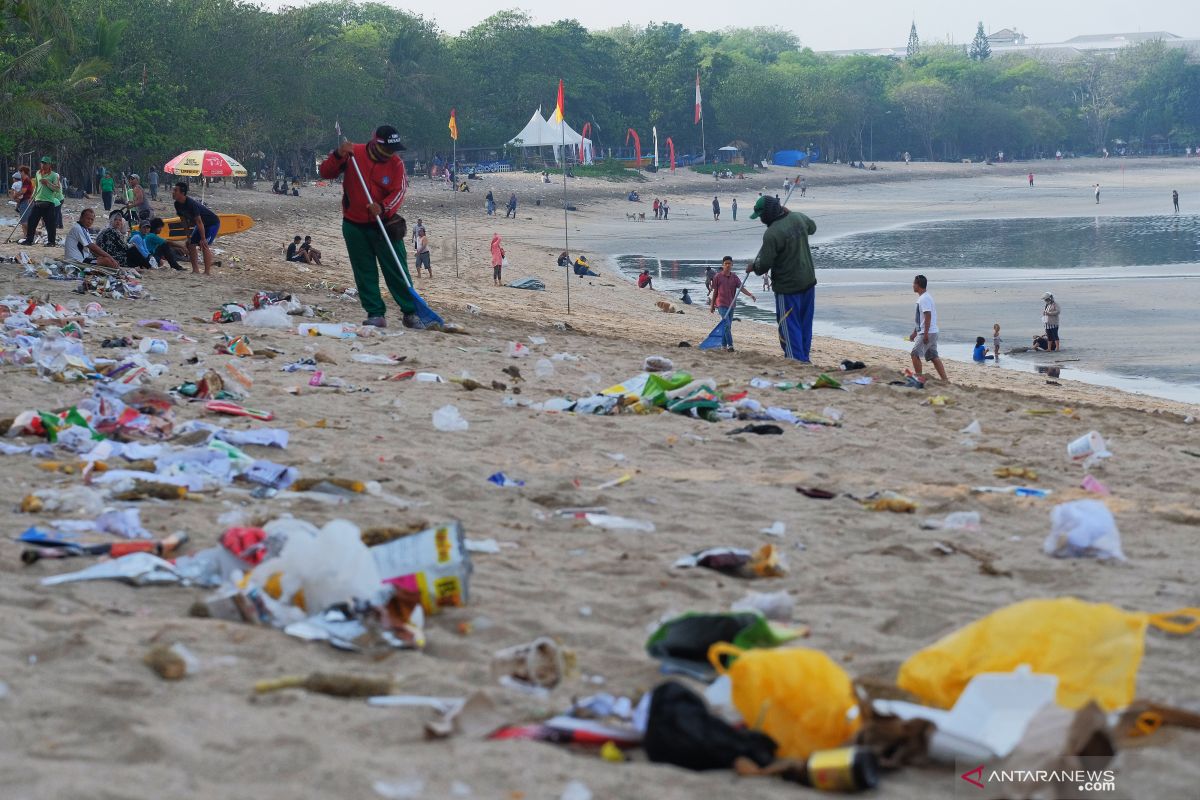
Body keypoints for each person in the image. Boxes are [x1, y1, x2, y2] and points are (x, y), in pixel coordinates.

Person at [318, 125, 424, 328]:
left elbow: (399, 192)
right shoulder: (353, 154)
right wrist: (338, 155)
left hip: (384, 224)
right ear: (375, 143)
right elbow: (326, 172)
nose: (391, 154)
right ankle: (375, 313)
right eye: (387, 150)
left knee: (396, 269)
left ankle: (410, 312)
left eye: (393, 150)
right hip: (354, 225)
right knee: (364, 271)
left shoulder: (396, 165)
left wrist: (383, 208)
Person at [745, 195, 817, 362]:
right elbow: (812, 228)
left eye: (762, 216)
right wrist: (791, 214)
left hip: (788, 287)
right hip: (808, 281)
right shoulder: (798, 217)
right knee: (805, 323)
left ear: (769, 213)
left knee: (789, 326)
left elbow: (764, 265)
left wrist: (753, 266)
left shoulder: (771, 234)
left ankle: (795, 360)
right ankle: (804, 358)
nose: (761, 220)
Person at [171, 181, 220, 275]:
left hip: (212, 223)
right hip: (201, 225)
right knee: (190, 244)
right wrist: (188, 237)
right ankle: (195, 270)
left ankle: (207, 272)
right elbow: (183, 221)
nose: (173, 192)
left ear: (182, 193)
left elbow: (199, 221)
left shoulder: (191, 204)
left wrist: (203, 238)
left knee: (204, 244)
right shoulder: (177, 204)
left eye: (175, 190)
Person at [710, 255, 756, 350]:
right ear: (723, 265)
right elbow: (715, 292)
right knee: (726, 325)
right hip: (721, 304)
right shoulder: (717, 277)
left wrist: (750, 295)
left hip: (731, 304)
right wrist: (712, 305)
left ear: (732, 265)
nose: (727, 265)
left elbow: (741, 287)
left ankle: (723, 346)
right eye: (725, 264)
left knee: (727, 326)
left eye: (729, 264)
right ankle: (730, 346)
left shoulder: (734, 277)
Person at [908, 274, 948, 381]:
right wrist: (915, 332)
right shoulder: (924, 297)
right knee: (934, 356)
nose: (912, 286)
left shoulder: (924, 299)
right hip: (931, 331)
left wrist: (925, 334)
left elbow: (928, 315)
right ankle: (945, 380)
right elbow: (920, 318)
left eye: (914, 283)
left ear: (918, 285)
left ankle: (919, 377)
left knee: (914, 354)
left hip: (928, 332)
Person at [21, 156, 63, 247]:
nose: (43, 165)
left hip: (48, 203)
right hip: (37, 201)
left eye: (45, 163)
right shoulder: (37, 173)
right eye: (42, 163)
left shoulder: (54, 175)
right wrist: (32, 197)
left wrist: (47, 183)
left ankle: (51, 242)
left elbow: (57, 189)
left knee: (50, 224)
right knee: (31, 221)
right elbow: (36, 187)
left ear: (49, 164)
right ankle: (29, 240)